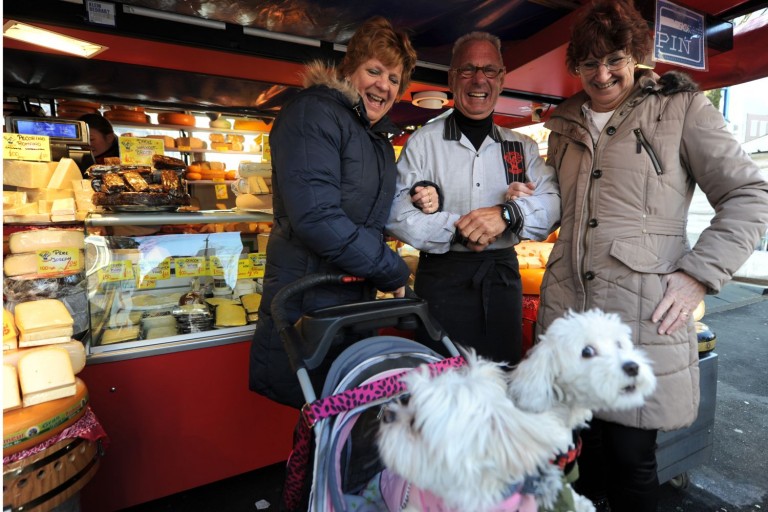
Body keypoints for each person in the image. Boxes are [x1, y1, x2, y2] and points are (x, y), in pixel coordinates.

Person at [535, 1, 768, 510]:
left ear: (635, 56)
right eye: (589, 62)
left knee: (632, 466)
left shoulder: (678, 107)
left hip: (641, 317)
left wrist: (698, 276)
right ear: (575, 65)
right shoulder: (564, 125)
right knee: (582, 461)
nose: (602, 74)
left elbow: (751, 196)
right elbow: (558, 208)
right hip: (569, 317)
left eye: (614, 58)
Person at [249, 17, 418, 409]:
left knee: (343, 421)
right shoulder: (314, 114)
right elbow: (318, 218)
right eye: (374, 71)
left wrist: (424, 194)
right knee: (322, 422)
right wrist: (390, 267)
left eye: (394, 79)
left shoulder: (372, 136)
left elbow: (367, 211)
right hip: (307, 304)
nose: (384, 85)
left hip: (346, 303)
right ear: (350, 70)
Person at [386, 31, 560, 365]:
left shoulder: (520, 146)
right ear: (452, 78)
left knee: (500, 379)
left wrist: (508, 214)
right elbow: (395, 210)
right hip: (441, 282)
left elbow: (554, 201)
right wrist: (459, 228)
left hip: (501, 281)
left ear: (501, 77)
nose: (479, 79)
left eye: (489, 70)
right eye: (467, 70)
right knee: (440, 389)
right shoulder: (424, 143)